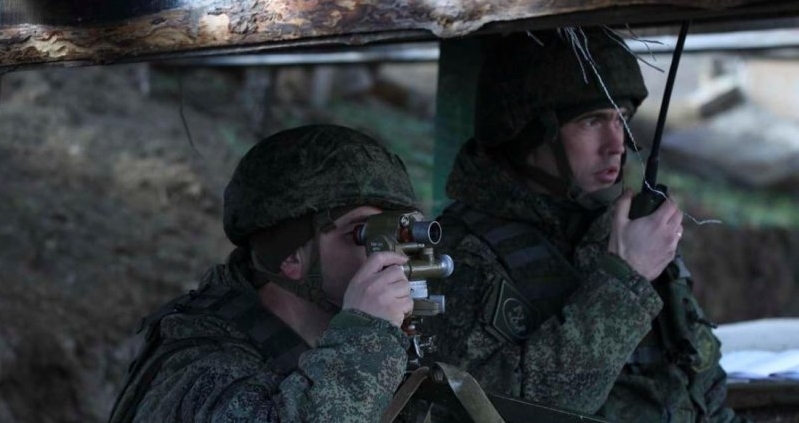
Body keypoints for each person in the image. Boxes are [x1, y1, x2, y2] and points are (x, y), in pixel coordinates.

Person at [428, 27, 748, 422]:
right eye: (592, 121)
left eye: (622, 118)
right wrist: (626, 280)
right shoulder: (460, 256)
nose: (616, 144)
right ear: (529, 133)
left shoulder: (624, 232)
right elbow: (510, 411)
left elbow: (704, 397)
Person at [109, 124, 420, 422]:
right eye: (363, 232)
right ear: (291, 258)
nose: (390, 252)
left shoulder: (341, 347)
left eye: (396, 231)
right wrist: (366, 336)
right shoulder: (206, 369)